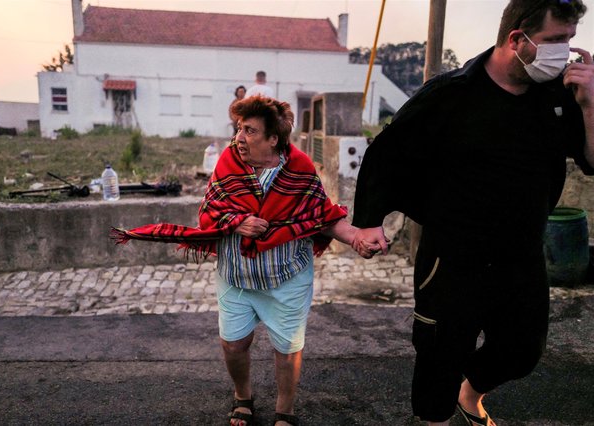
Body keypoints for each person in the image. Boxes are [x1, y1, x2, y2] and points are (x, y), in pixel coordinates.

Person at [351, 0, 594, 425]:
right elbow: (386, 153)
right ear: (517, 39)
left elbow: (592, 160)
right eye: (557, 40)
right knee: (438, 360)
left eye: (571, 40)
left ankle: (470, 393)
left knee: (522, 352)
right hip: (452, 259)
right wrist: (369, 222)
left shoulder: (558, 96)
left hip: (522, 257)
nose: (566, 51)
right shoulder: (450, 94)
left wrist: (590, 105)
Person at [112, 95, 379, 426]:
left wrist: (355, 237)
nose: (239, 138)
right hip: (236, 278)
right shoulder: (226, 163)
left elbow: (321, 216)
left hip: (287, 278)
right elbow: (209, 212)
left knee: (287, 349)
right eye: (239, 128)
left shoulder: (300, 170)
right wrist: (235, 222)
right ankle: (243, 396)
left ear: (273, 140)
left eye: (250, 131)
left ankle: (285, 411)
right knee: (233, 344)